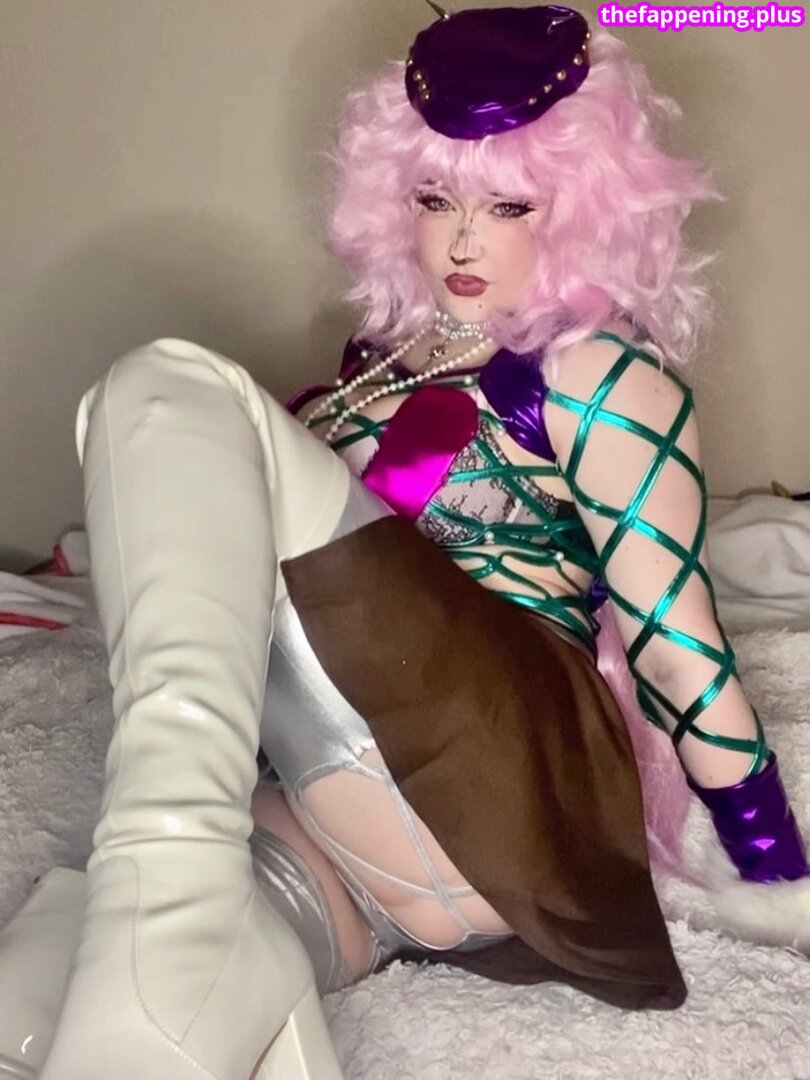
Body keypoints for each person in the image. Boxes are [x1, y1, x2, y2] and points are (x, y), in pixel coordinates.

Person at [0, 5, 807, 1079]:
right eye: (434, 198)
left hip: (507, 769)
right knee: (44, 984)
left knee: (162, 386)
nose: (464, 240)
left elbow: (675, 646)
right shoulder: (385, 359)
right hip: (380, 840)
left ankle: (162, 871)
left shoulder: (596, 370)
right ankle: (172, 976)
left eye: (509, 205)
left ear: (585, 209)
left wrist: (775, 866)